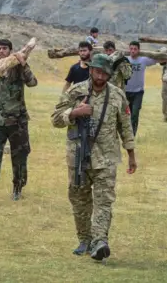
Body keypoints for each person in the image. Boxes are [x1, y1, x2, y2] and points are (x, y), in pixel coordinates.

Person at [50, 53, 137, 261]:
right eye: (97, 71)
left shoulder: (117, 95)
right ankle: (85, 239)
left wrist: (131, 154)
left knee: (104, 201)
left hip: (106, 158)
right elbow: (55, 119)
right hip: (79, 156)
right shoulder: (76, 91)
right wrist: (74, 112)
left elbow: (125, 126)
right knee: (79, 200)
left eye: (105, 73)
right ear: (90, 70)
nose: (100, 76)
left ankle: (100, 241)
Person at [0, 39, 37, 201]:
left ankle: (18, 186)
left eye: (5, 49)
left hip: (17, 120)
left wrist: (23, 64)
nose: (1, 51)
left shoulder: (17, 67)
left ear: (10, 51)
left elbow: (32, 83)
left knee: (19, 156)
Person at [125, 40, 156, 135]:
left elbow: (160, 59)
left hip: (138, 92)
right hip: (126, 91)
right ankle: (126, 133)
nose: (133, 51)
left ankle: (132, 134)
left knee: (135, 114)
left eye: (135, 49)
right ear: (129, 49)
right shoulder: (125, 59)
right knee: (126, 114)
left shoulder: (143, 60)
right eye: (131, 49)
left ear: (139, 50)